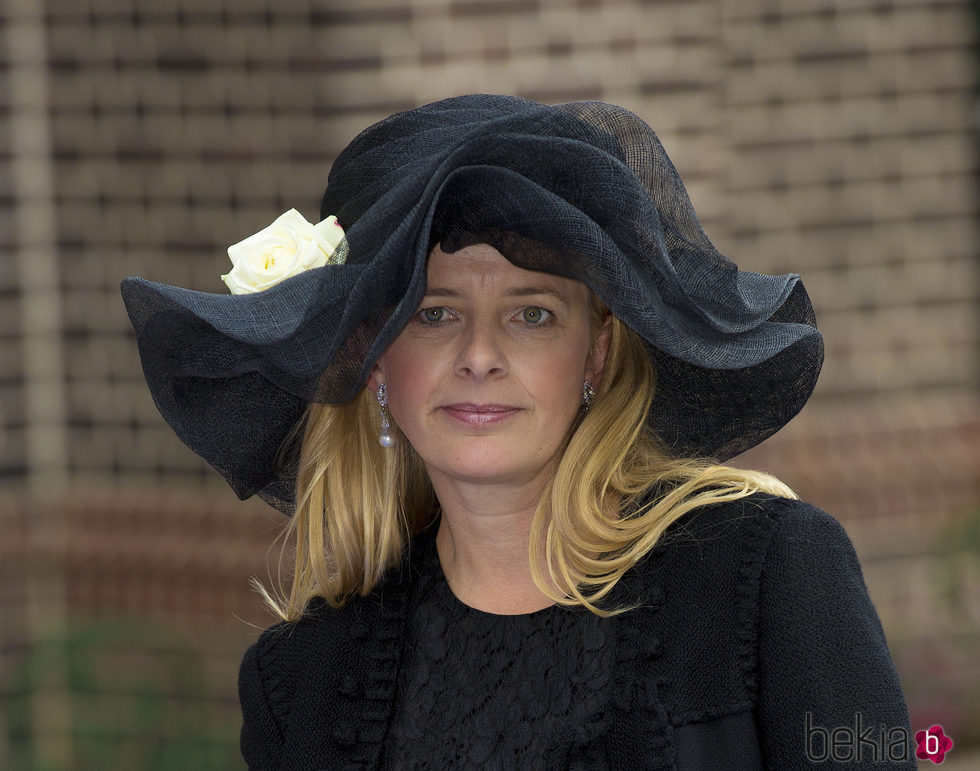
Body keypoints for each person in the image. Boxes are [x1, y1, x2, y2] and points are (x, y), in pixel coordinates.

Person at [122, 94, 914, 769]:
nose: (479, 357)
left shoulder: (770, 575)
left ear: (596, 351)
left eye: (531, 313)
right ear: (370, 356)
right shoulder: (302, 681)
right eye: (434, 314)